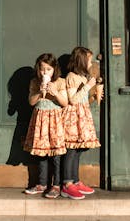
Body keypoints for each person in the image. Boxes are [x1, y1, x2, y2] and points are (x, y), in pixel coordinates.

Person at [23, 53, 68, 198]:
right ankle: (41, 184)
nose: (45, 72)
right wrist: (39, 92)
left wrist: (54, 92)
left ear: (54, 69)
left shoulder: (61, 82)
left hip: (55, 120)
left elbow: (65, 102)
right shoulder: (34, 82)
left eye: (48, 69)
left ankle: (56, 185)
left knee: (56, 154)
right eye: (42, 69)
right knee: (41, 153)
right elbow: (31, 101)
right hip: (40, 119)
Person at [61, 46, 102, 200]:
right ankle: (67, 184)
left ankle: (76, 181)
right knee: (71, 150)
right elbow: (73, 99)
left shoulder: (84, 77)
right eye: (89, 59)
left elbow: (83, 100)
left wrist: (94, 96)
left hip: (82, 116)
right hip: (72, 118)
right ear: (81, 60)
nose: (91, 63)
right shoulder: (71, 76)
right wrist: (88, 86)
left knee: (78, 150)